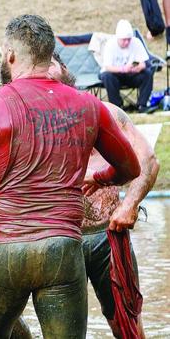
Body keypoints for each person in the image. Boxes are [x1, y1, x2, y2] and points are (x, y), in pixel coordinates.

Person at [0, 14, 141, 338]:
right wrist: (101, 178)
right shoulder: (88, 105)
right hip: (61, 248)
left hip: (4, 248)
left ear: (10, 56)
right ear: (50, 54)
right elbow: (130, 168)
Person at [49, 54, 158, 338]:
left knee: (128, 325)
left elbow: (148, 160)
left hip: (106, 236)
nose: (44, 71)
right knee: (63, 331)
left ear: (64, 69)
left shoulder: (103, 111)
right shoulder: (30, 120)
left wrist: (130, 205)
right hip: (58, 240)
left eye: (49, 62)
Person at [99, 19, 154, 113]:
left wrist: (137, 67)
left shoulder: (136, 42)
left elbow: (143, 63)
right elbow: (107, 67)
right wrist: (123, 69)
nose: (127, 42)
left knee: (147, 73)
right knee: (107, 76)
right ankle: (117, 107)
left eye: (129, 39)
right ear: (118, 37)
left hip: (132, 74)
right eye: (124, 40)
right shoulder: (110, 44)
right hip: (115, 75)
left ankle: (142, 105)